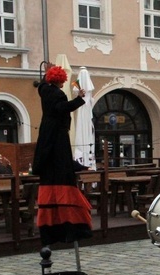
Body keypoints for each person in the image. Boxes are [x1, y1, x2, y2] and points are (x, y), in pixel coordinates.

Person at [32, 64, 93, 246]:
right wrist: (79, 99)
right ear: (60, 81)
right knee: (60, 158)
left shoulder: (44, 90)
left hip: (49, 134)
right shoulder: (55, 94)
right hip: (55, 135)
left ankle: (70, 163)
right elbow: (61, 108)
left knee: (59, 157)